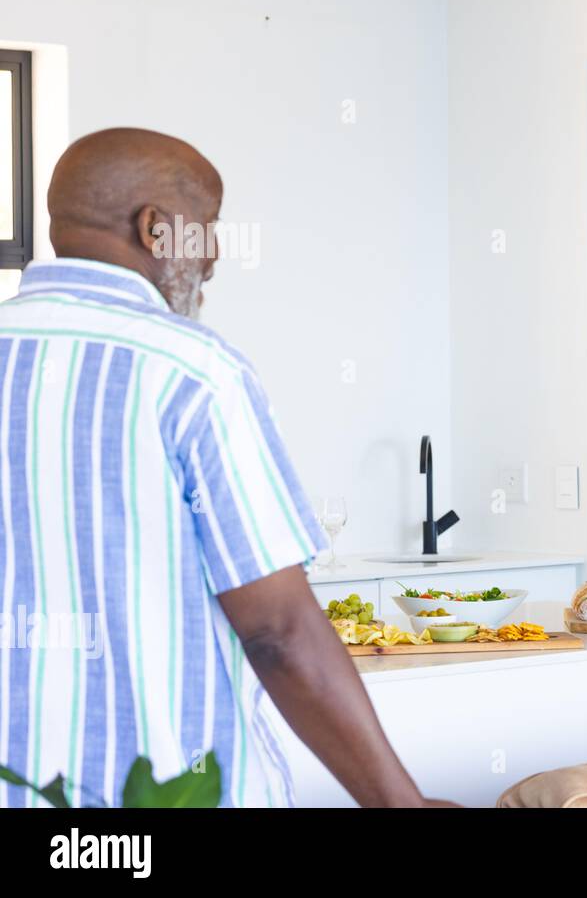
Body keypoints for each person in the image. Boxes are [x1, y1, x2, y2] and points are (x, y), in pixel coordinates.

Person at [0, 127, 454, 807]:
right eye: (207, 228)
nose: (213, 255)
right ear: (156, 229)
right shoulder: (192, 371)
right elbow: (277, 631)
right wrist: (401, 802)